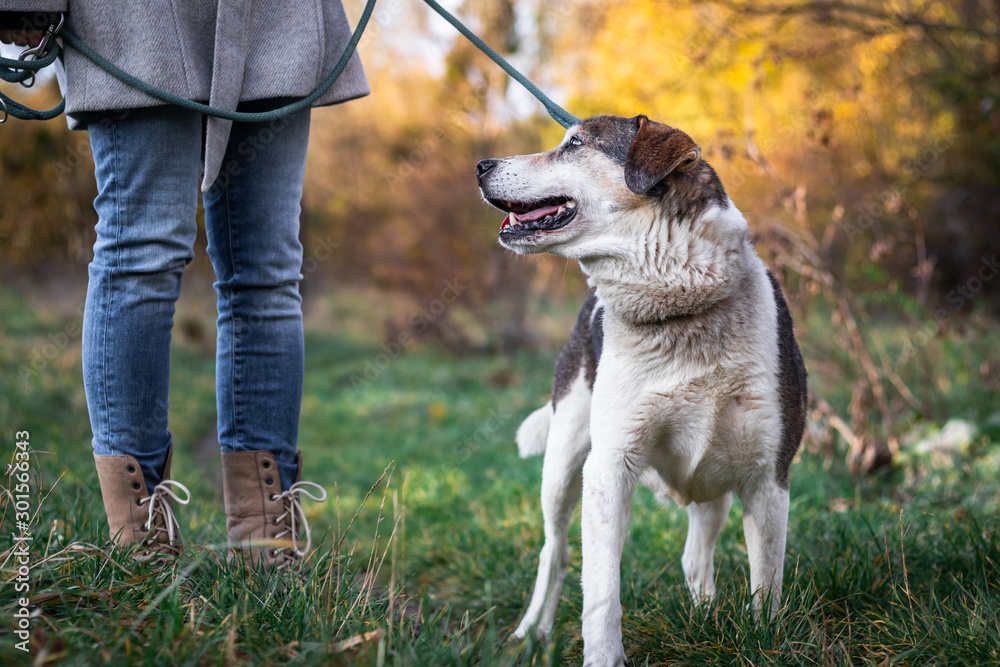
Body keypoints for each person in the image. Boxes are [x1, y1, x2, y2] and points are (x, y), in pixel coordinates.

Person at [0, 2, 368, 570]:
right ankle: (140, 539)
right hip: (135, 19)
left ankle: (265, 539)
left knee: (269, 271)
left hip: (276, 19)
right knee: (141, 252)